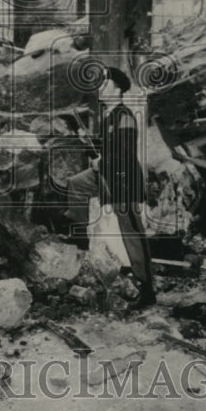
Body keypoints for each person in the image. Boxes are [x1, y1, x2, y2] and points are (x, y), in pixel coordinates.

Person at [63, 66, 156, 309]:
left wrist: (101, 161)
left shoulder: (124, 116)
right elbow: (107, 147)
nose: (99, 88)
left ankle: (147, 290)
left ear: (117, 88)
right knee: (76, 183)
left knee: (132, 235)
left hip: (124, 182)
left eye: (104, 84)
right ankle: (80, 235)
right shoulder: (109, 117)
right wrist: (86, 142)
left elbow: (124, 153)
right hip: (108, 177)